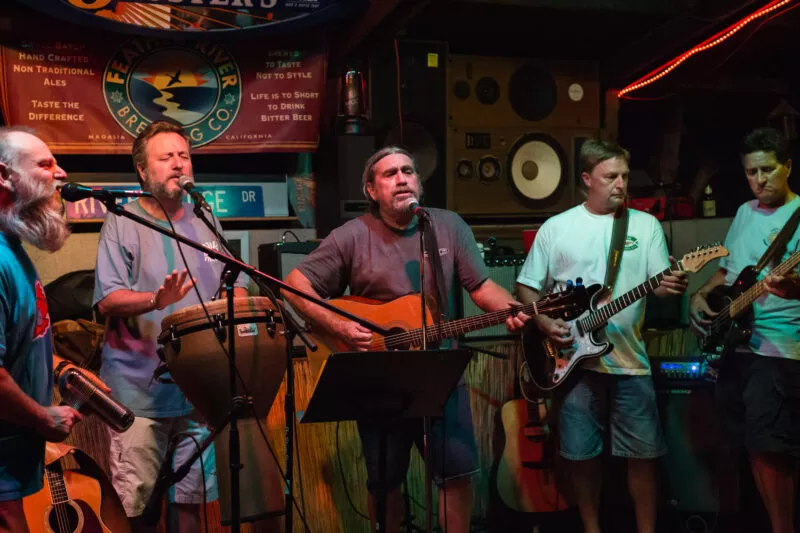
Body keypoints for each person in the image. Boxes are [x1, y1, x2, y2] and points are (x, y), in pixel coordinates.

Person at [282, 145, 529, 533]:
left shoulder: (447, 226)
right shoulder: (351, 235)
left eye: (408, 171)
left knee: (455, 473)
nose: (401, 178)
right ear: (371, 189)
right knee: (385, 481)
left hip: (441, 372)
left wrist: (515, 309)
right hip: (380, 377)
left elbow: (481, 289)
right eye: (389, 173)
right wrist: (340, 326)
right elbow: (294, 287)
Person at [516, 139, 688, 533]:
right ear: (586, 178)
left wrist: (672, 282)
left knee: (643, 456)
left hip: (630, 362)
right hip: (574, 364)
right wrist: (542, 321)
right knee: (581, 457)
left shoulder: (644, 226)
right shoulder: (557, 228)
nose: (621, 184)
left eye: (625, 176)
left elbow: (658, 285)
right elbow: (526, 287)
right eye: (611, 176)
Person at [93, 120, 247, 533]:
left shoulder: (205, 219)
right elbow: (107, 299)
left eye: (184, 155)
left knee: (191, 505)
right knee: (138, 509)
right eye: (166, 158)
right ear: (142, 171)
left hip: (199, 388)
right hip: (139, 395)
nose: (179, 164)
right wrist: (155, 301)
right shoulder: (123, 220)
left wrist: (242, 303)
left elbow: (239, 283)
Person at [690, 127, 799, 533]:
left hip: (779, 350)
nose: (760, 180)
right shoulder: (743, 212)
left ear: (787, 166)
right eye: (752, 172)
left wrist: (795, 288)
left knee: (771, 450)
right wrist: (700, 296)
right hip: (738, 346)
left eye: (768, 170)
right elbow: (729, 272)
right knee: (748, 448)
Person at [0, 127, 83, 532]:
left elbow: (17, 341)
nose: (61, 174)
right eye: (46, 164)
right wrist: (42, 418)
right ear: (4, 176)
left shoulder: (14, 251)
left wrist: (60, 368)